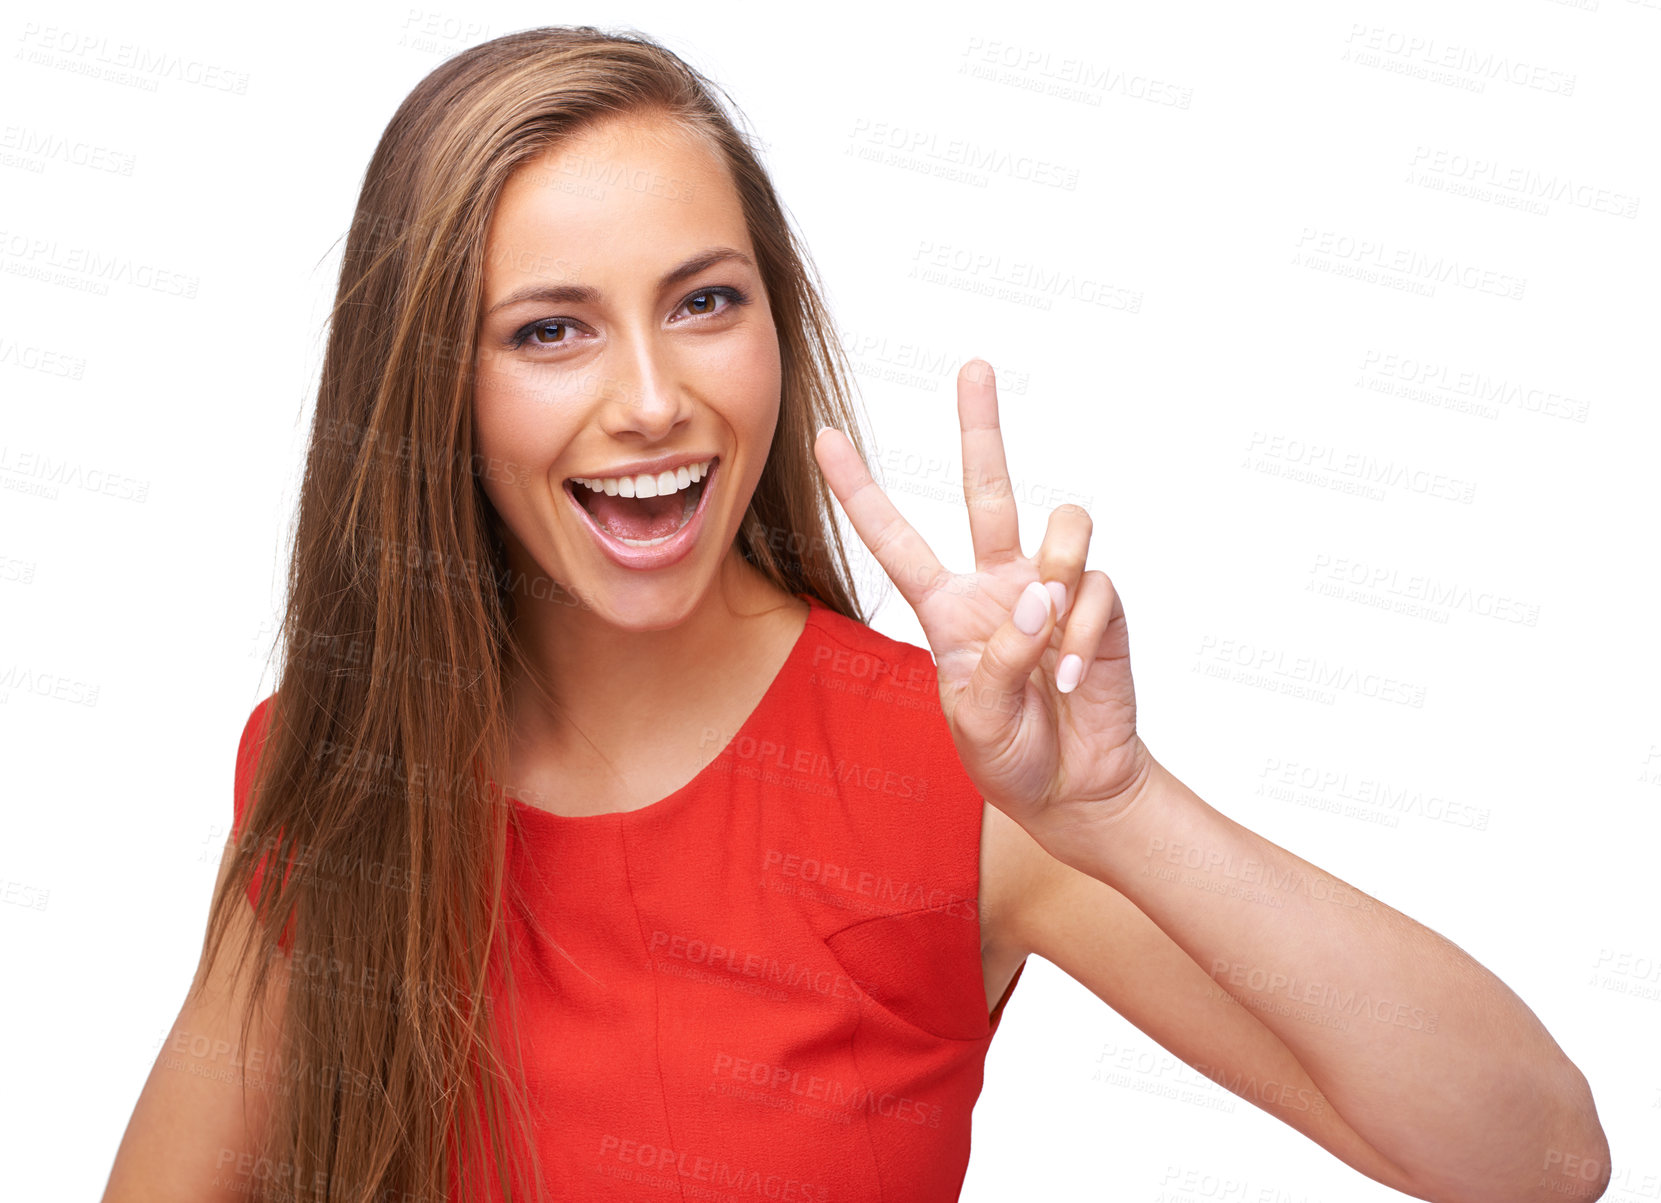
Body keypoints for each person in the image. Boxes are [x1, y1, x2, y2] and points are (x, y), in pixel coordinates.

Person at [101, 24, 1610, 1203]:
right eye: (550, 330)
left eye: (705, 301)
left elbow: (1531, 1162)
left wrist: (1121, 806)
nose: (651, 399)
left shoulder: (963, 779)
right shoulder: (333, 758)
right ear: (427, 380)